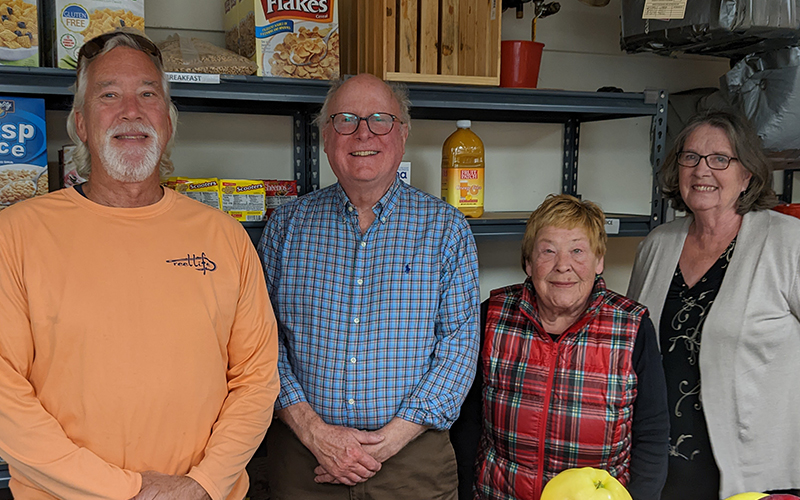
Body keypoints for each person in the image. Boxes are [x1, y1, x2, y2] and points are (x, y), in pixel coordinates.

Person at [0, 29, 280, 500]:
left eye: (148, 94)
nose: (131, 110)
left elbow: (256, 379)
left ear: (168, 121)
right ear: (82, 124)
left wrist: (203, 483)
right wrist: (122, 489)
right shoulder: (16, 234)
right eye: (109, 95)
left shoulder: (224, 237)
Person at [258, 73, 481, 499]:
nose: (363, 133)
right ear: (326, 137)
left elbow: (459, 349)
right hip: (305, 457)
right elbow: (261, 343)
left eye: (380, 119)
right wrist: (315, 432)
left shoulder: (445, 229)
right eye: (345, 120)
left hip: (411, 461)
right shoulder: (286, 226)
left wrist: (384, 445)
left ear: (402, 135)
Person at [628, 110, 800, 499]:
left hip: (758, 473)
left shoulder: (788, 243)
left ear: (747, 175)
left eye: (720, 159)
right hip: (663, 470)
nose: (702, 170)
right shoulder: (657, 245)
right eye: (691, 157)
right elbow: (635, 347)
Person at [457, 194, 669, 500]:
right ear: (528, 262)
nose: (563, 266)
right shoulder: (493, 316)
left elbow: (652, 433)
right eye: (548, 251)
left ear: (599, 261)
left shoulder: (632, 327)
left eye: (578, 251)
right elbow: (468, 423)